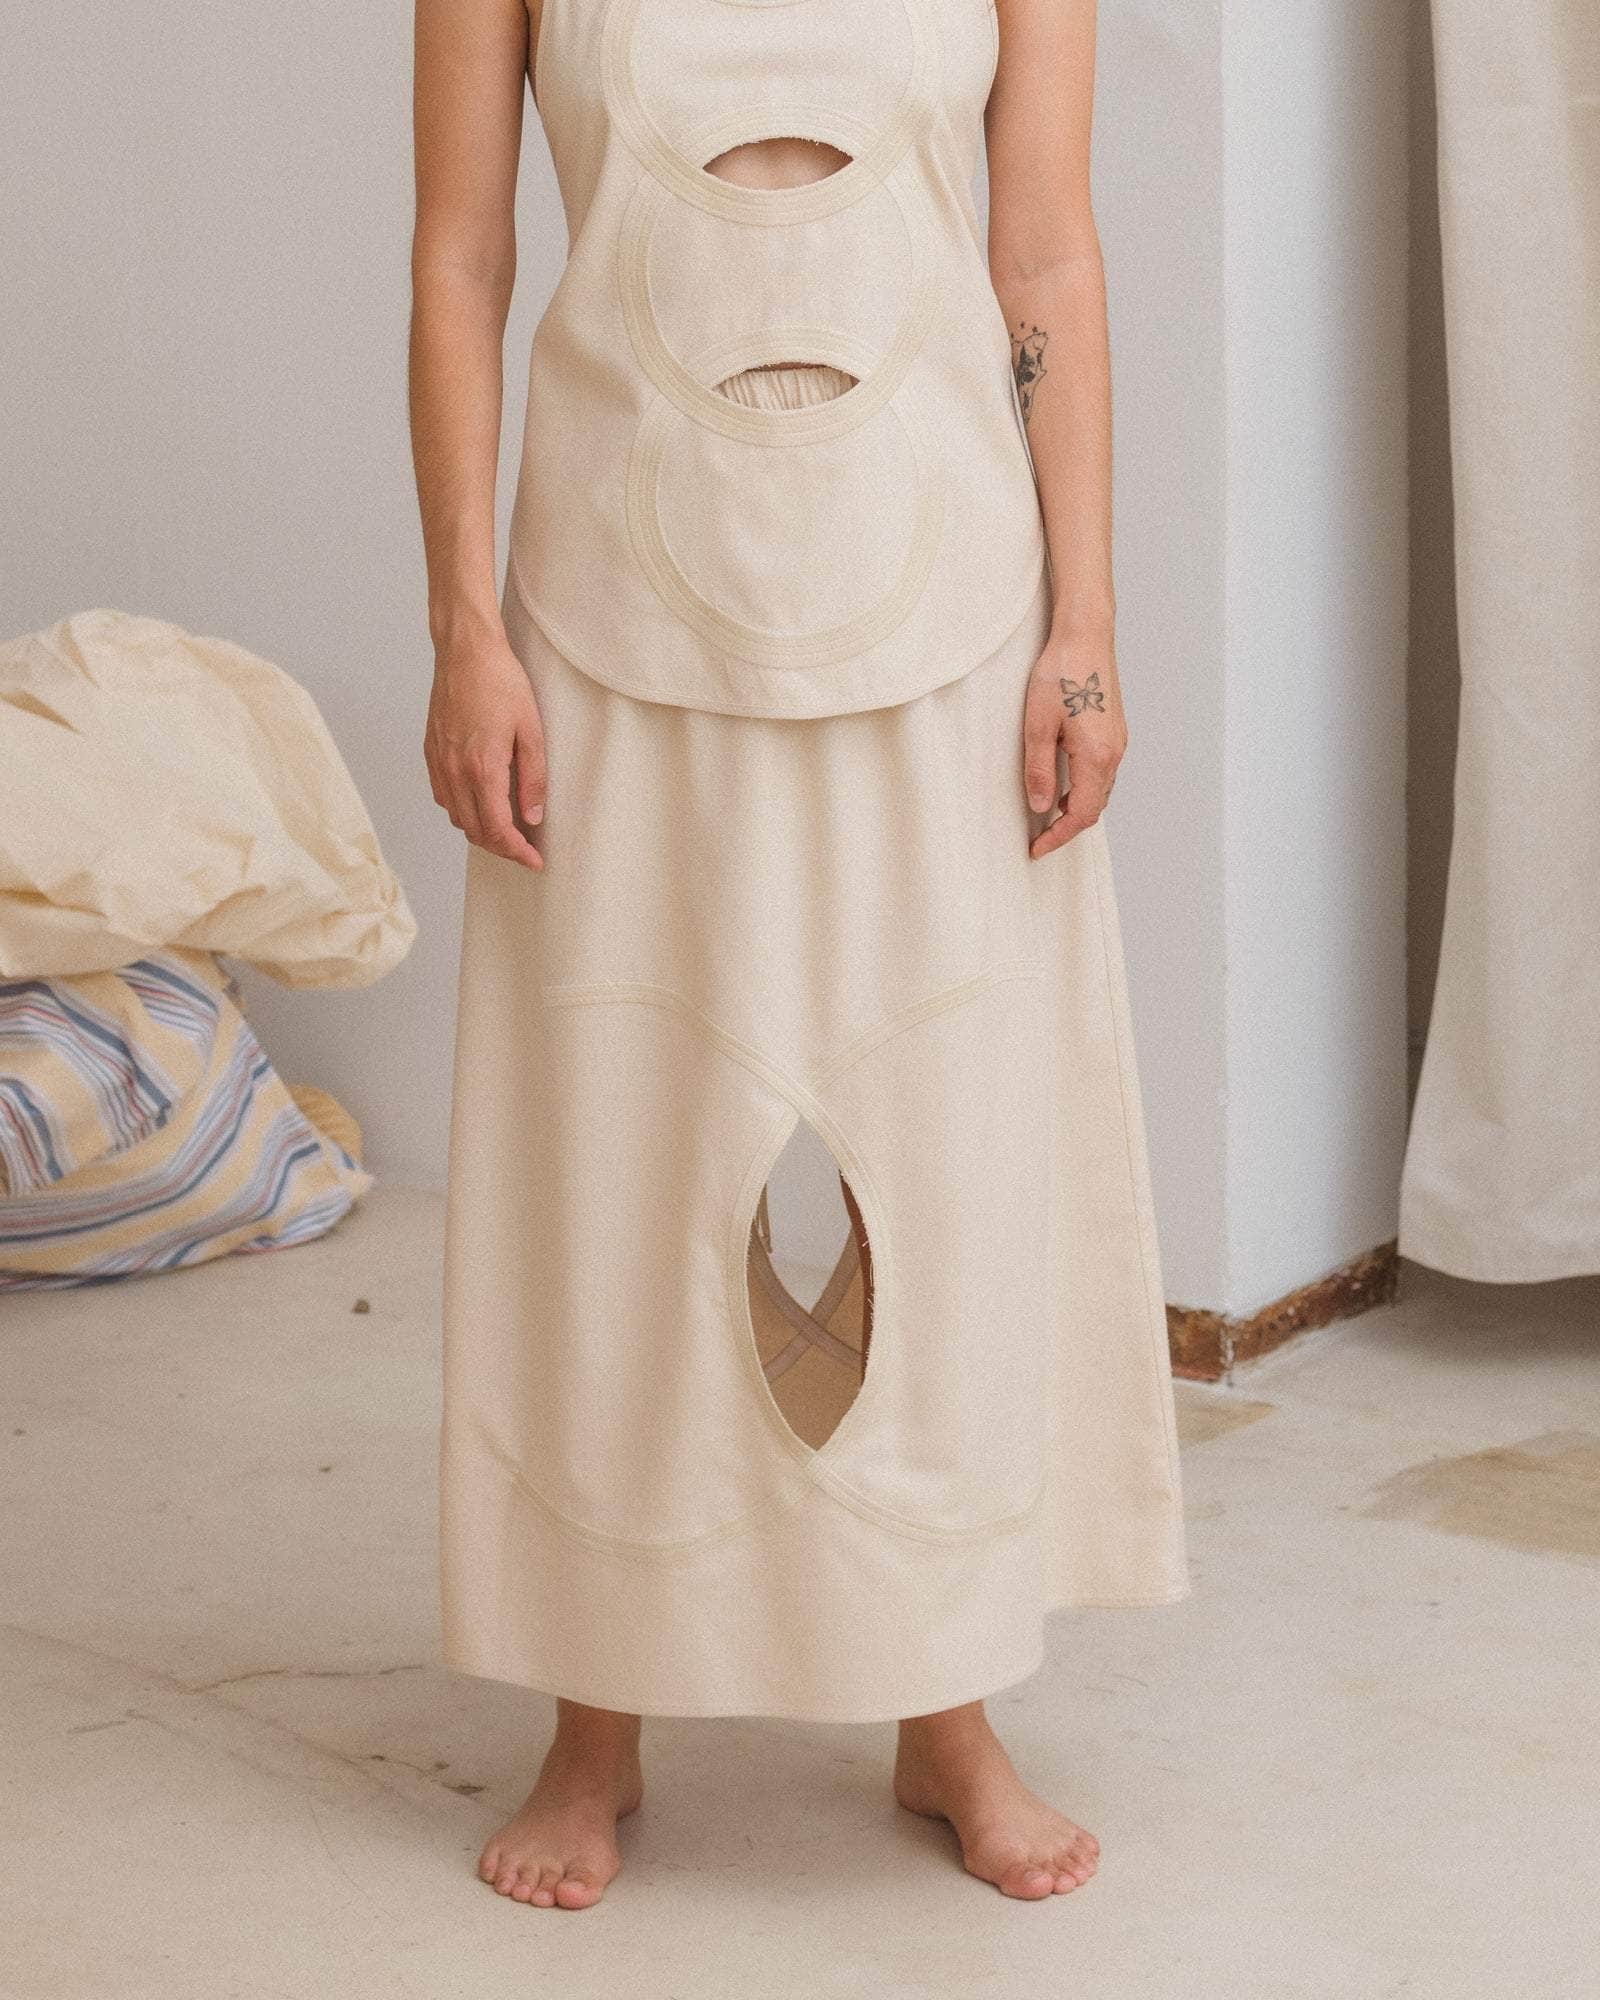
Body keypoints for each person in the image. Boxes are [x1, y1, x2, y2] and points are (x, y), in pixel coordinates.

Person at [409, 0, 1187, 1910]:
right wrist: (462, 632)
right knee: (627, 1155)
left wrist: (1085, 626)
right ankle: (597, 1718)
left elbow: (1046, 255)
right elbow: (460, 258)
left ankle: (946, 1706)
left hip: (943, 593)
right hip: (612, 596)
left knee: (946, 1155)